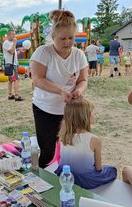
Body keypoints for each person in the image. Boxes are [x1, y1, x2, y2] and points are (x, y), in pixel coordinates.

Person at [30, 9, 88, 168]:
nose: (67, 42)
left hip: (70, 110)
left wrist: (79, 91)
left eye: (71, 37)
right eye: (62, 38)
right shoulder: (43, 52)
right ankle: (43, 180)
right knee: (47, 151)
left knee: (69, 148)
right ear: (53, 36)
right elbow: (38, 79)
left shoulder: (79, 55)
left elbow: (83, 80)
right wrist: (60, 91)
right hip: (45, 108)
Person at [53, 98, 117, 189]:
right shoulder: (94, 139)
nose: (95, 115)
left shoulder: (63, 135)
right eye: (93, 113)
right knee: (112, 170)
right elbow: (98, 168)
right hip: (85, 181)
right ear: (86, 117)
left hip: (65, 175)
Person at [3, 29, 24, 101]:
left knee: (11, 80)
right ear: (8, 35)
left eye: (14, 34)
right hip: (11, 65)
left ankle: (10, 95)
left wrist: (20, 51)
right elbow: (11, 52)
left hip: (14, 64)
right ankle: (17, 96)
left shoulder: (11, 43)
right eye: (13, 34)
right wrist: (15, 43)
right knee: (16, 79)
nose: (14, 36)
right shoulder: (6, 43)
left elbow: (14, 54)